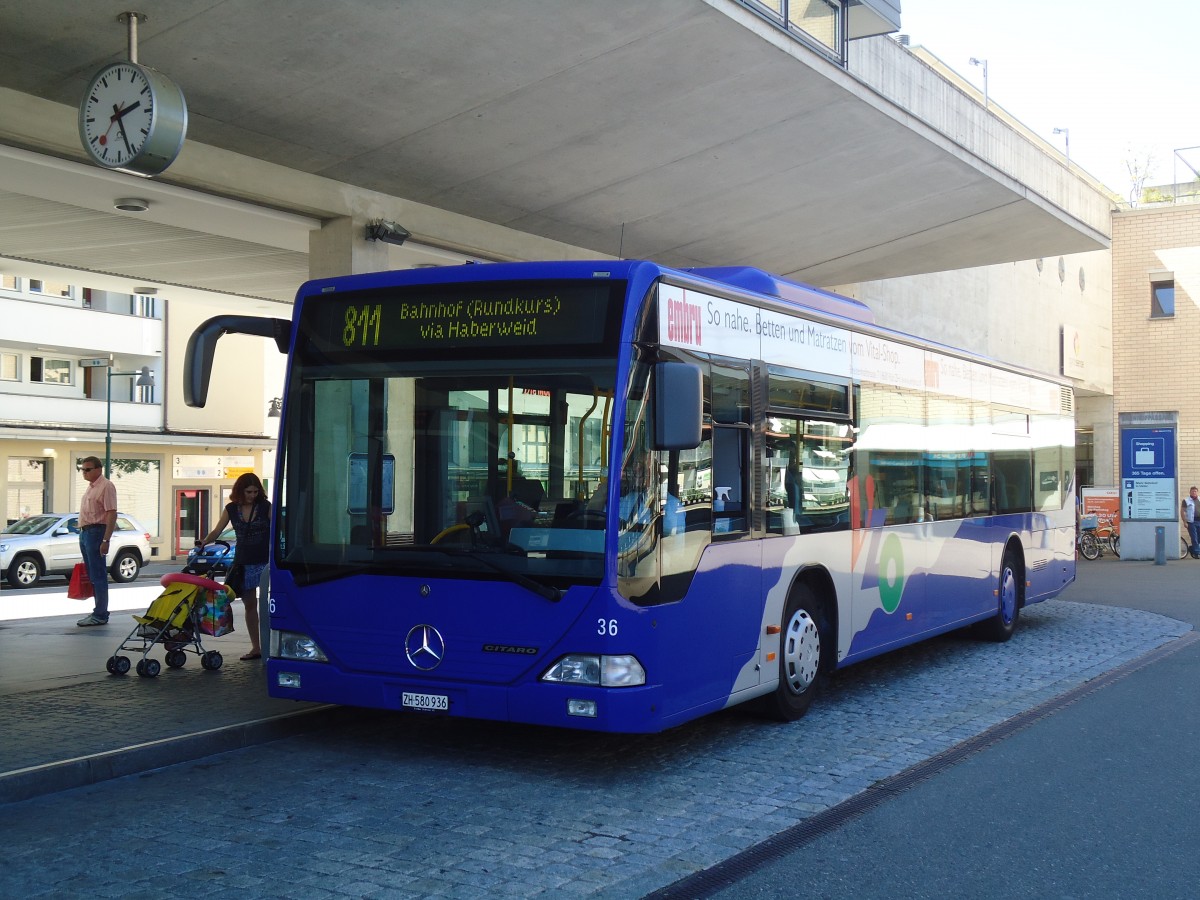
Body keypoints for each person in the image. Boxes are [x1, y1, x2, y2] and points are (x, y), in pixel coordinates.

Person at [198, 472, 271, 660]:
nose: (252, 495)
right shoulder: (231, 508)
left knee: (269, 604)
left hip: (265, 560)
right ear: (240, 491)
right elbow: (217, 530)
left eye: (255, 491)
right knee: (250, 605)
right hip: (243, 561)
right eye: (248, 492)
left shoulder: (265, 506)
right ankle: (256, 647)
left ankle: (272, 646)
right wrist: (205, 542)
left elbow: (278, 528)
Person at [76, 456, 117, 626]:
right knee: (93, 575)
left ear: (98, 469)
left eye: (87, 469)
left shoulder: (106, 486)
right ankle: (97, 611)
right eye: (82, 469)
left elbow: (112, 513)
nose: (84, 473)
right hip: (85, 532)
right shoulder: (91, 488)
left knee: (98, 575)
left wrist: (105, 539)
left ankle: (100, 614)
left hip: (96, 532)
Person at [1182, 486, 1200, 558]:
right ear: (1190, 492)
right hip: (1191, 522)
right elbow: (1182, 511)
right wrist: (1185, 522)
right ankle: (1196, 553)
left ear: (1197, 492)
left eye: (1195, 491)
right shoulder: (1186, 500)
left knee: (1198, 538)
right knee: (1194, 537)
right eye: (1192, 491)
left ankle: (1192, 549)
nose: (1194, 492)